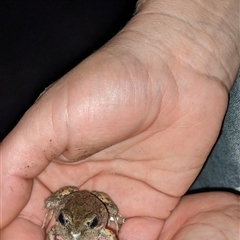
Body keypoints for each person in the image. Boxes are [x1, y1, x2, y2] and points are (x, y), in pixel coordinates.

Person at [1, 0, 239, 239]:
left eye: (91, 225)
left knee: (105, 205)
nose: (75, 233)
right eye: (62, 221)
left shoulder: (99, 226)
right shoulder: (61, 224)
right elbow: (54, 230)